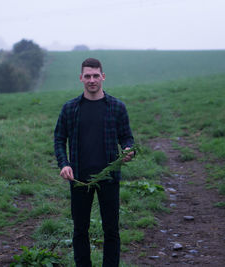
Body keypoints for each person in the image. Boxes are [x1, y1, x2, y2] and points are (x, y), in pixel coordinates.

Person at [54, 58, 135, 267]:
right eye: (87, 76)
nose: (92, 80)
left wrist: (128, 150)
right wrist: (64, 164)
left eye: (95, 76)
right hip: (79, 178)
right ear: (81, 78)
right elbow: (59, 139)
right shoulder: (70, 108)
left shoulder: (117, 107)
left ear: (103, 77)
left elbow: (127, 137)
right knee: (80, 230)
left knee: (111, 230)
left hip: (108, 177)